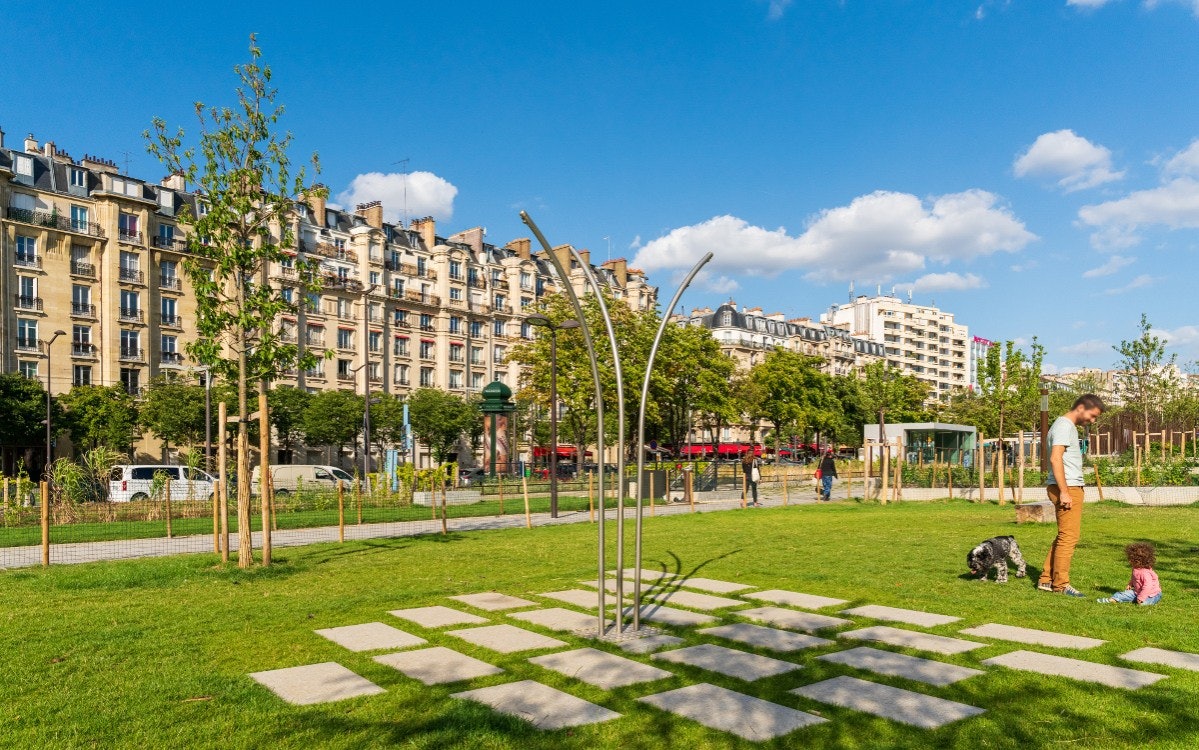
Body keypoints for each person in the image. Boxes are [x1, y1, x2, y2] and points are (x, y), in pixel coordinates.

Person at [1037, 394, 1105, 597]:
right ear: (1082, 407)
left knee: (1063, 536)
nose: (1092, 421)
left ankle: (1046, 579)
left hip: (1067, 486)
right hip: (1067, 487)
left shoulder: (1064, 426)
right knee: (1069, 537)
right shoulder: (1064, 426)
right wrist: (1065, 492)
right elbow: (1055, 458)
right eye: (1092, 416)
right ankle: (1061, 585)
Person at [1097, 542, 1162, 605]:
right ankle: (1112, 599)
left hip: (1151, 594)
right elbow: (1135, 578)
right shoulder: (1135, 568)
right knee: (1122, 594)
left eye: (1132, 560)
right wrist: (1130, 584)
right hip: (1137, 592)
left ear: (1140, 561)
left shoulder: (1145, 573)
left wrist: (1141, 597)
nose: (1129, 561)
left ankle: (1138, 599)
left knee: (1143, 603)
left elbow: (1147, 586)